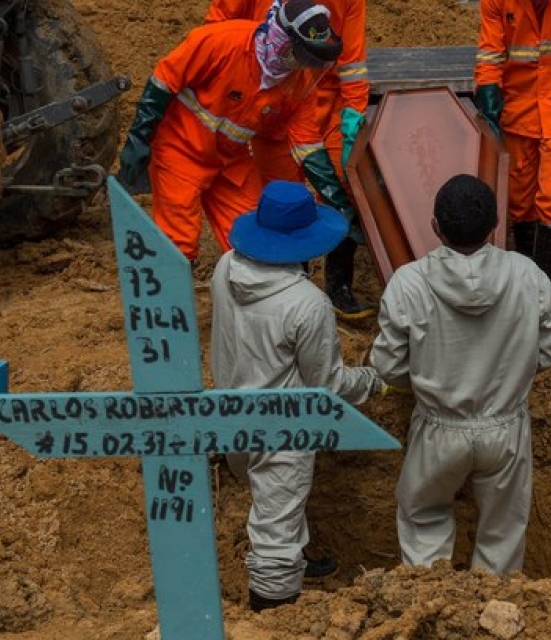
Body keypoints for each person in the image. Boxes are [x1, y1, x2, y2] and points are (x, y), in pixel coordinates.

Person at [369, 174, 551, 575]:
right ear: (495, 225)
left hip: (439, 426)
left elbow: (388, 366)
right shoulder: (528, 276)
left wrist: (424, 379)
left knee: (423, 519)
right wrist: (511, 376)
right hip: (506, 426)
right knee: (504, 530)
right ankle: (493, 615)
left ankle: (428, 609)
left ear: (435, 226)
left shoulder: (408, 282)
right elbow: (548, 350)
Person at [210, 180, 385, 612]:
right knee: (275, 534)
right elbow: (326, 386)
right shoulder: (306, 303)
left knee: (276, 506)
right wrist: (375, 381)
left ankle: (299, 559)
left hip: (229, 412)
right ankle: (274, 613)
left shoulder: (224, 267)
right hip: (280, 429)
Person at [116, 0, 346, 265]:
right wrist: (139, 138)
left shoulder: (299, 84)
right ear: (282, 39)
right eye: (302, 57)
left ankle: (253, 301)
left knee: (257, 239)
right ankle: (172, 300)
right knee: (177, 245)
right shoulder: (220, 42)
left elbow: (308, 146)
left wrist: (337, 200)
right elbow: (163, 81)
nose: (304, 67)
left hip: (230, 161)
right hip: (180, 150)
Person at [204, 0, 374, 319]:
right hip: (276, 100)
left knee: (346, 185)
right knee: (284, 194)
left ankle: (338, 286)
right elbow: (216, 29)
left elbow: (353, 62)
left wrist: (354, 116)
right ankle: (294, 286)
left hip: (330, 100)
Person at [473, 0, 551, 281]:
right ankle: (524, 271)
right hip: (519, 105)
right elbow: (490, 51)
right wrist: (487, 86)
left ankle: (545, 279)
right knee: (520, 196)